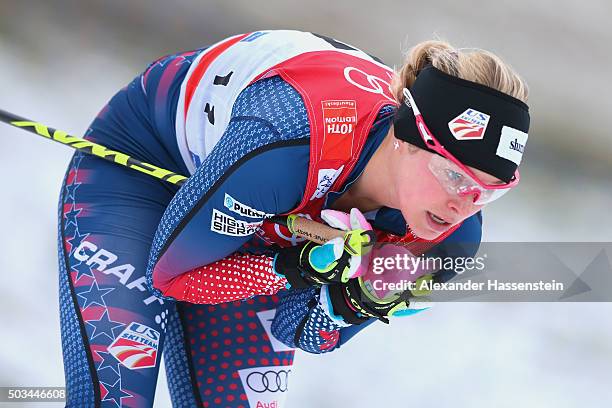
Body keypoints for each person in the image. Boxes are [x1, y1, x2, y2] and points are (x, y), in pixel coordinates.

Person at [57, 30, 530, 407]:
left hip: (267, 211)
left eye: (489, 192)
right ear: (406, 138)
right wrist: (293, 268)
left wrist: (350, 302)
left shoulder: (451, 239)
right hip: (144, 170)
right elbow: (175, 275)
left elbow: (299, 332)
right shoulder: (291, 141)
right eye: (452, 174)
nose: (462, 203)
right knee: (115, 396)